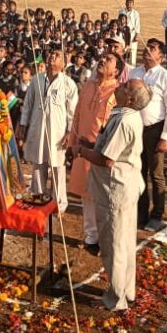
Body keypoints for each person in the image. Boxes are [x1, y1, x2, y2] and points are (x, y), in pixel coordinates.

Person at [73, 78, 151, 312]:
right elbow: (107, 148)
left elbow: (107, 159)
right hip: (123, 187)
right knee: (125, 243)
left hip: (115, 190)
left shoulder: (125, 120)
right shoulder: (125, 115)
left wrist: (81, 151)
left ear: (129, 98)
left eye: (126, 86)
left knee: (114, 245)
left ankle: (115, 299)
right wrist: (90, 145)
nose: (121, 85)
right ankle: (126, 290)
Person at [68, 54, 119, 253]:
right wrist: (72, 142)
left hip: (103, 152)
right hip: (83, 149)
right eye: (103, 58)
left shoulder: (117, 92)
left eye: (109, 60)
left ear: (115, 71)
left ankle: (106, 239)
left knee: (103, 198)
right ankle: (91, 237)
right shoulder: (89, 85)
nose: (103, 60)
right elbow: (78, 113)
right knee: (86, 194)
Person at [18, 50, 78, 211]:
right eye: (51, 54)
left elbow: (73, 112)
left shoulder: (68, 84)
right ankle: (38, 198)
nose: (53, 56)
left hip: (58, 133)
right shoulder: (37, 80)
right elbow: (28, 105)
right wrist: (23, 125)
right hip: (38, 129)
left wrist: (69, 132)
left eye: (58, 55)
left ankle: (59, 204)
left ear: (63, 63)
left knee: (58, 167)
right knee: (38, 165)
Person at [132, 38, 167, 232]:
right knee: (138, 172)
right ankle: (141, 213)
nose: (147, 51)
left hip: (155, 130)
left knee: (156, 174)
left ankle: (157, 214)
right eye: (147, 47)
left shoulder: (166, 77)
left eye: (152, 48)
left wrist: (165, 137)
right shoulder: (135, 72)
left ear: (161, 56)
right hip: (135, 129)